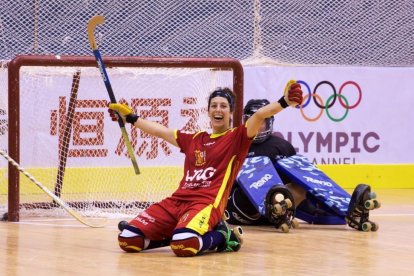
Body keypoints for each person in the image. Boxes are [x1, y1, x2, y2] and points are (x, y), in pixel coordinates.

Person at [108, 84, 303, 257]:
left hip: (205, 204)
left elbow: (260, 115)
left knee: (183, 245)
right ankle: (175, 235)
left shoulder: (238, 137)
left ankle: (222, 235)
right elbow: (160, 131)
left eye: (223, 106)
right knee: (128, 239)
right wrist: (131, 118)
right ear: (208, 111)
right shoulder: (195, 139)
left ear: (231, 113)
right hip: (176, 202)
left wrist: (285, 101)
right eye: (214, 105)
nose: (218, 109)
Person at [226, 99, 380, 232]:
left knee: (299, 185)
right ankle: (276, 210)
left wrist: (329, 213)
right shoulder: (236, 143)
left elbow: (301, 184)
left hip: (276, 210)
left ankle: (350, 211)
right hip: (242, 212)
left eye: (263, 121)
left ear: (270, 122)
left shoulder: (282, 146)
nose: (258, 125)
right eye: (255, 120)